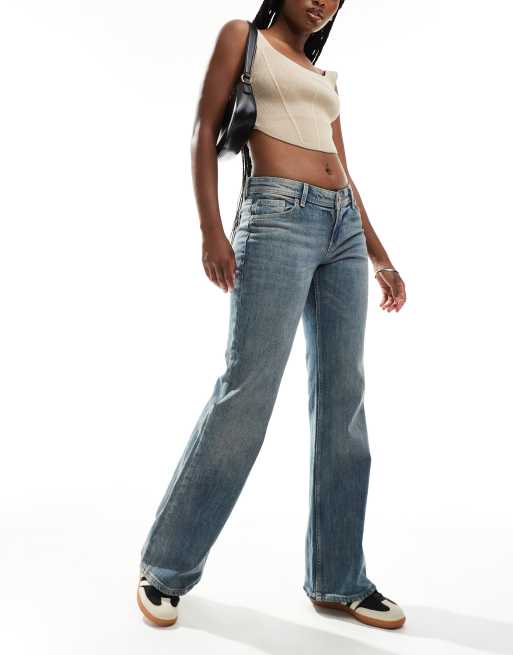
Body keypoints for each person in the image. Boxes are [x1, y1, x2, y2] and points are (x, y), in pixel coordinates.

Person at [136, 0, 407, 630]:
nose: (322, 2)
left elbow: (344, 171)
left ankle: (338, 578)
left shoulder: (322, 76)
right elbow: (204, 128)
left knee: (344, 401)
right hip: (276, 219)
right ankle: (166, 566)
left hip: (342, 228)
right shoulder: (244, 39)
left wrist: (381, 256)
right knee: (247, 393)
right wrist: (211, 231)